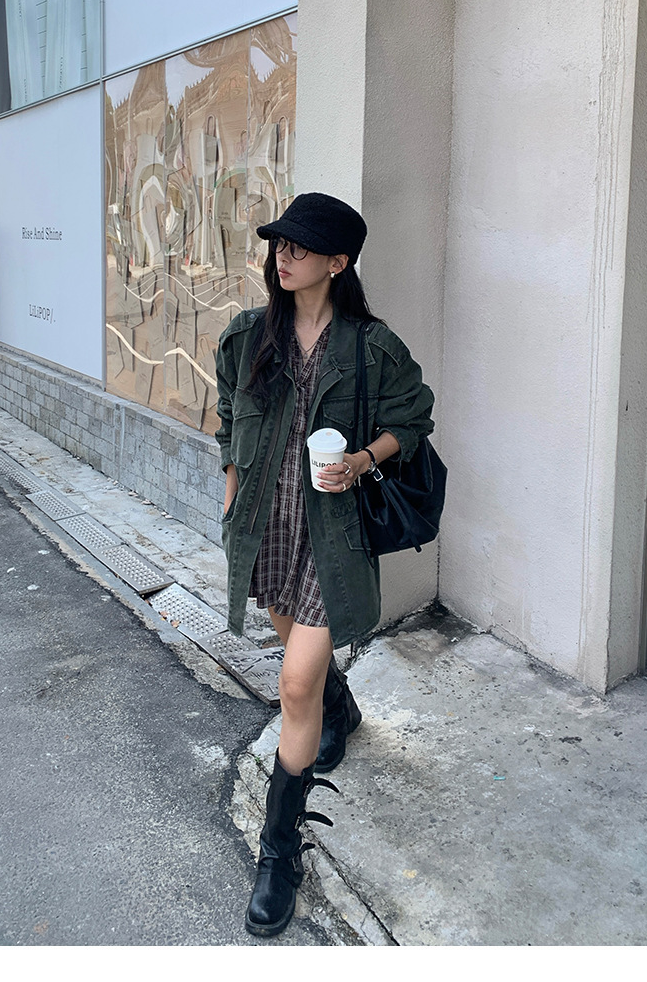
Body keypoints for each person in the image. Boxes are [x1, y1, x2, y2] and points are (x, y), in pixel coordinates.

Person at [214, 192, 435, 937]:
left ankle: (279, 853)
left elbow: (413, 417)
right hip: (264, 529)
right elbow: (228, 417)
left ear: (338, 262)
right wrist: (230, 493)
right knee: (301, 669)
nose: (282, 257)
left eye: (299, 247)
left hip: (330, 536)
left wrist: (364, 459)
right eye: (278, 244)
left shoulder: (371, 347)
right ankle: (339, 709)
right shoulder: (248, 336)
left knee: (292, 682)